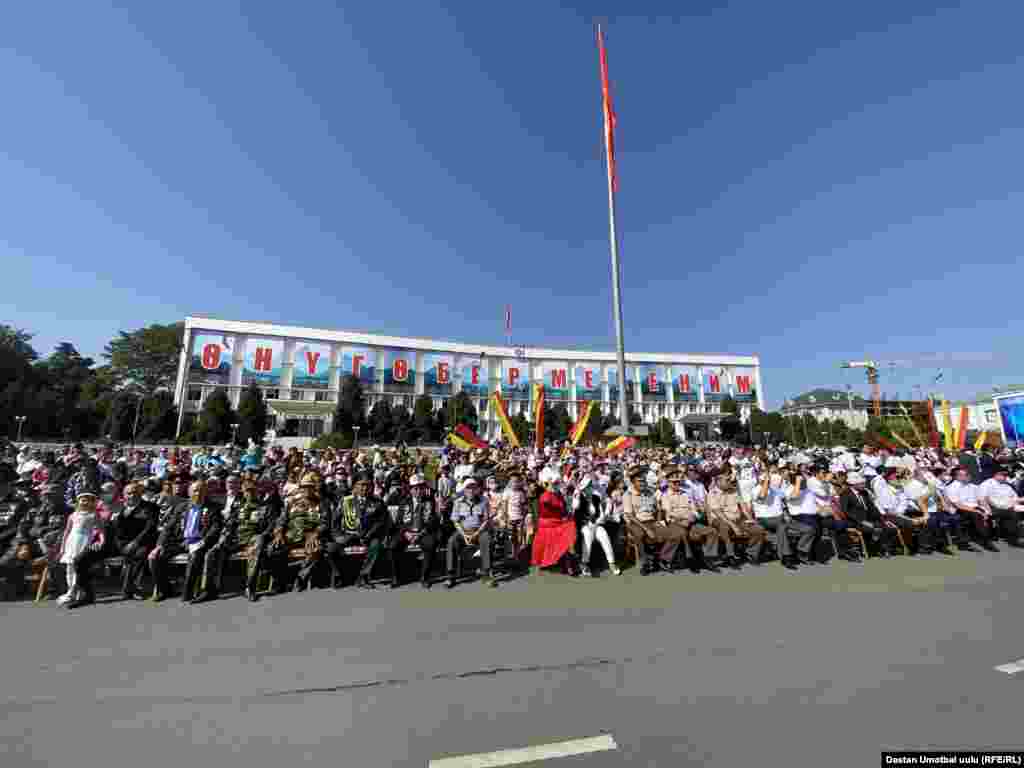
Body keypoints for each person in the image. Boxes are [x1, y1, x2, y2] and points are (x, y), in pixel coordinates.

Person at [622, 465, 682, 575]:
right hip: (635, 522)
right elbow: (630, 516)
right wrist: (646, 529)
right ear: (633, 482)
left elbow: (658, 509)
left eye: (643, 480)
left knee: (675, 534)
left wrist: (659, 522)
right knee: (640, 535)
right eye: (639, 481)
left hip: (651, 521)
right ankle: (645, 563)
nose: (642, 483)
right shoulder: (628, 494)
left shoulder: (649, 492)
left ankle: (663, 559)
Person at [388, 473, 440, 588]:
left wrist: (421, 533)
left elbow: (433, 520)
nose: (418, 491)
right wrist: (406, 533)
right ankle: (396, 577)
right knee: (393, 546)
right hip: (407, 532)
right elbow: (399, 522)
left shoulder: (430, 501)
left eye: (421, 487)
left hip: (423, 532)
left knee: (430, 544)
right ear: (411, 489)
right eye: (415, 488)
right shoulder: (404, 501)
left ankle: (424, 577)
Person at [662, 469, 719, 573]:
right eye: (674, 482)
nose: (677, 484)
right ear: (669, 483)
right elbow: (669, 514)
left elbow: (693, 509)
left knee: (712, 531)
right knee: (683, 534)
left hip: (690, 522)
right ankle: (689, 560)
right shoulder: (665, 496)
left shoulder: (685, 494)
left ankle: (708, 559)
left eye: (678, 482)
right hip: (676, 523)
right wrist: (683, 519)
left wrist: (694, 516)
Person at [109, 481, 159, 600]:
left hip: (142, 542)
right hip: (120, 543)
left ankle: (127, 589)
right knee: (85, 556)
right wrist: (115, 519)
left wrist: (135, 542)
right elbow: (113, 530)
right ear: (124, 495)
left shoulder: (151, 507)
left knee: (138, 554)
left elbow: (150, 528)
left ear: (141, 493)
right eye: (129, 493)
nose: (132, 495)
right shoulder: (118, 507)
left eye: (135, 492)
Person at [707, 472, 767, 568]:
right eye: (727, 480)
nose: (729, 482)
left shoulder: (734, 491)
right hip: (720, 520)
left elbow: (743, 508)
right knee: (725, 527)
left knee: (758, 529)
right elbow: (719, 513)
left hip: (737, 519)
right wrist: (733, 526)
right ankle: (730, 555)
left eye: (729, 480)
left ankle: (750, 553)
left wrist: (751, 519)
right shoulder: (712, 493)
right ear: (718, 482)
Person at [60, 489, 106, 608]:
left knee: (79, 565)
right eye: (82, 500)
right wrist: (62, 546)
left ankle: (78, 589)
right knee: (69, 567)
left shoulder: (93, 515)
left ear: (92, 503)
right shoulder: (73, 515)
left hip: (84, 541)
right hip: (72, 541)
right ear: (78, 502)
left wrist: (101, 540)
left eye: (88, 501)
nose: (84, 502)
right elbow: (67, 531)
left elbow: (100, 529)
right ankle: (70, 590)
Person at [449, 476, 498, 587]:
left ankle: (487, 573)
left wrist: (476, 533)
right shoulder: (458, 502)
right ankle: (450, 575)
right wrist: (464, 535)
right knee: (452, 541)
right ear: (464, 489)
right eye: (468, 488)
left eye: (473, 488)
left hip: (479, 530)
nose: (470, 490)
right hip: (463, 531)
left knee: (487, 539)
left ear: (476, 489)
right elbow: (455, 522)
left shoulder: (483, 500)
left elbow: (486, 520)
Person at [574, 474, 620, 577]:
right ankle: (584, 563)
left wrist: (598, 522)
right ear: (583, 489)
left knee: (603, 535)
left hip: (596, 524)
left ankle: (612, 563)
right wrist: (577, 494)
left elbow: (601, 514)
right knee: (587, 536)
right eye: (587, 487)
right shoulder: (579, 498)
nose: (590, 488)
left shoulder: (596, 498)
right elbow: (576, 509)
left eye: (590, 486)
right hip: (585, 526)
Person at [946, 466, 997, 552]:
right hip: (959, 510)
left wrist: (986, 509)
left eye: (967, 474)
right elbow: (958, 505)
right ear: (957, 477)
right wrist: (977, 511)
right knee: (977, 515)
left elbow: (980, 499)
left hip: (972, 507)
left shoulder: (972, 486)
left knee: (988, 512)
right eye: (965, 475)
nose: (968, 476)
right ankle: (986, 541)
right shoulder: (951, 487)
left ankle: (988, 536)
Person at [978, 465, 1024, 546]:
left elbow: (1015, 498)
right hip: (994, 507)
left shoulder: (1006, 485)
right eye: (1004, 475)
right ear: (996, 474)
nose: (1006, 477)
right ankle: (1013, 538)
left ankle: (1014, 534)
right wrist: (988, 510)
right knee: (1012, 513)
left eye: (1006, 475)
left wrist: (1017, 502)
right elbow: (982, 499)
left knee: (1015, 510)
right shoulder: (987, 484)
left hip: (1009, 505)